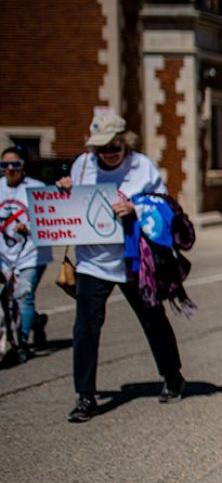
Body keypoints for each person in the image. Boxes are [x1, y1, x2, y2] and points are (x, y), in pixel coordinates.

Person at [59, 111, 184, 423]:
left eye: (114, 147)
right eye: (101, 149)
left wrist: (135, 207)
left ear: (125, 142)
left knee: (153, 319)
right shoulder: (82, 166)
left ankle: (172, 375)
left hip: (133, 261)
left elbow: (165, 205)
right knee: (85, 327)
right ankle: (85, 395)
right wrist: (63, 191)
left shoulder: (142, 167)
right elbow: (69, 207)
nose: (108, 155)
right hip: (93, 261)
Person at [0, 145, 50, 352]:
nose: (10, 168)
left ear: (23, 166)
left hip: (32, 254)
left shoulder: (37, 188)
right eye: (5, 165)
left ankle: (20, 344)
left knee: (24, 296)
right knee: (6, 299)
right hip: (4, 254)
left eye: (15, 164)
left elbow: (49, 218)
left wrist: (29, 227)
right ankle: (37, 323)